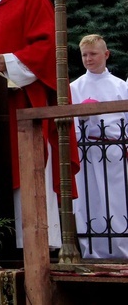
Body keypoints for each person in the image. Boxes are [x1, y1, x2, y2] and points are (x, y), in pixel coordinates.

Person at [0, 0, 79, 249]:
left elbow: (48, 49)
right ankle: (5, 246)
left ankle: (38, 246)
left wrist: (10, 61)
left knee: (26, 176)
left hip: (23, 108)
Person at [70, 34, 128, 259]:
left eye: (93, 54)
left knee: (116, 200)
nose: (88, 59)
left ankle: (122, 250)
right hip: (87, 150)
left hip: (114, 150)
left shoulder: (120, 86)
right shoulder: (75, 87)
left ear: (106, 54)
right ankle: (92, 251)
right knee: (89, 200)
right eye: (84, 55)